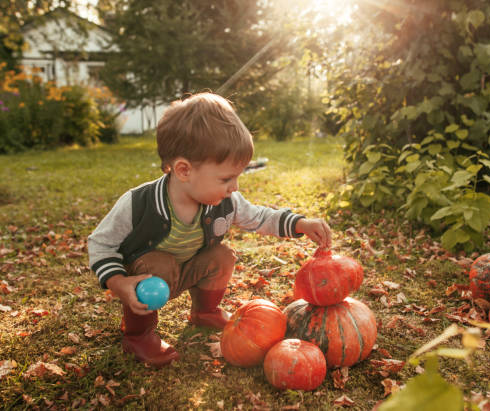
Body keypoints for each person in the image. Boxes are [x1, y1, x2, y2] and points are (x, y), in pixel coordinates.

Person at [88, 92, 332, 368]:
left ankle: (204, 311)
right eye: (227, 178)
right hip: (149, 277)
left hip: (188, 269)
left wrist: (300, 223)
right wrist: (118, 283)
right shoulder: (138, 203)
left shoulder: (225, 201)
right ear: (183, 170)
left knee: (222, 256)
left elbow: (258, 217)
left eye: (238, 177)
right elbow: (100, 244)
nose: (235, 187)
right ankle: (138, 334)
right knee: (160, 263)